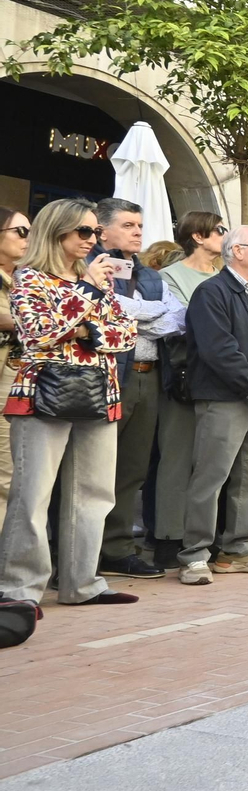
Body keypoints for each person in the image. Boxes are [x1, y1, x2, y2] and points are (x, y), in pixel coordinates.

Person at [0, 199, 137, 612]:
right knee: (33, 494)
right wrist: (88, 295)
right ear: (57, 230)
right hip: (41, 394)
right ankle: (20, 589)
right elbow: (38, 334)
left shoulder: (93, 279)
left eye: (95, 231)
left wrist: (83, 329)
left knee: (95, 493)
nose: (92, 239)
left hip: (100, 392)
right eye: (84, 231)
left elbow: (125, 334)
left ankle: (83, 583)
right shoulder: (29, 277)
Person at [177, 226, 248, 586]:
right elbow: (218, 350)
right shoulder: (212, 292)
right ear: (238, 251)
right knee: (210, 477)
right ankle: (195, 555)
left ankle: (237, 550)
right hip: (226, 398)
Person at [92, 197, 181, 580]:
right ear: (102, 229)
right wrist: (141, 313)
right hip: (110, 375)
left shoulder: (149, 275)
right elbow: (106, 310)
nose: (138, 232)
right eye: (128, 225)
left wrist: (132, 314)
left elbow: (178, 319)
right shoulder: (90, 267)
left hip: (151, 375)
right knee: (93, 469)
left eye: (140, 225)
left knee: (132, 469)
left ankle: (117, 550)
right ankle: (78, 553)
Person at [152, 210, 223, 568]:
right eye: (218, 230)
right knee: (177, 459)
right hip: (184, 375)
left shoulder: (224, 276)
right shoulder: (169, 275)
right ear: (198, 235)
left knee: (211, 464)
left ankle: (203, 536)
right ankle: (168, 536)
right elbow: (182, 323)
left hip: (222, 381)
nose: (223, 235)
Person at [0, 205, 26, 537]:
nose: (27, 238)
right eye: (20, 231)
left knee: (13, 477)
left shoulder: (24, 277)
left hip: (20, 386)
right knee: (6, 478)